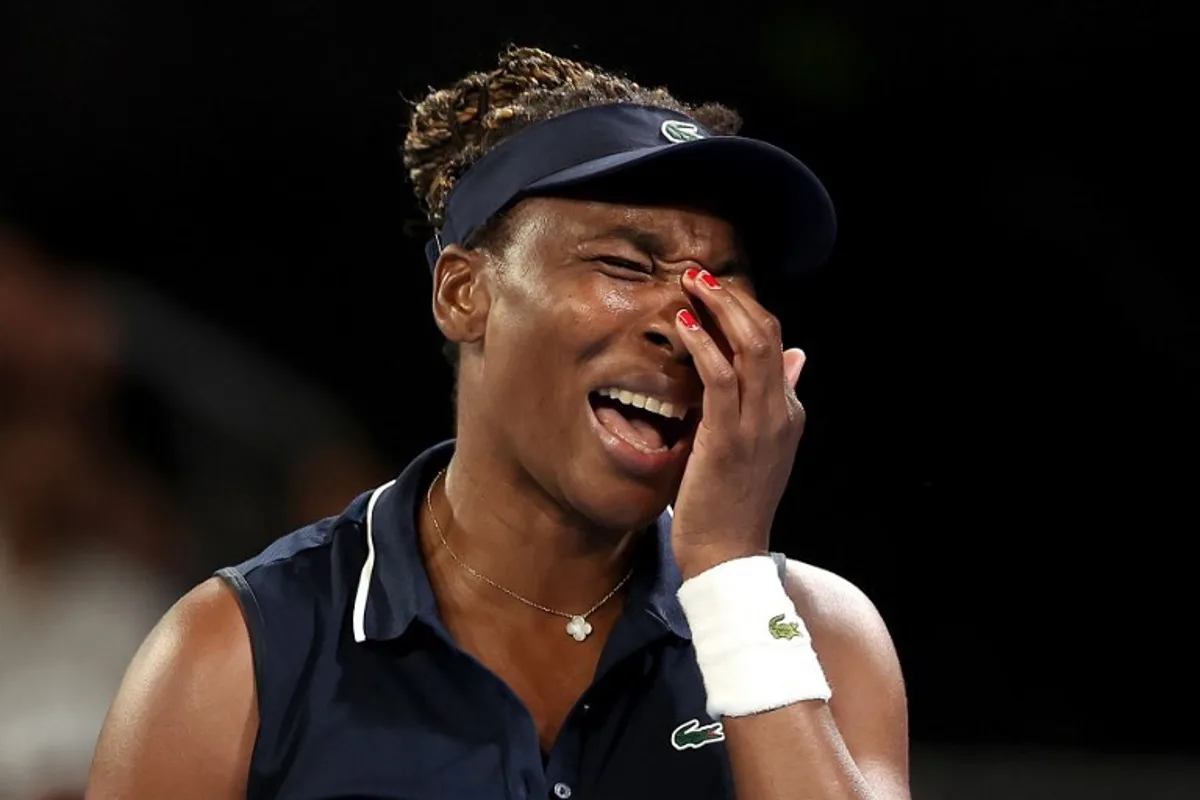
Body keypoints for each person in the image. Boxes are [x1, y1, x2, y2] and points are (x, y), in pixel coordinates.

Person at [87, 46, 910, 799]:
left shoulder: (815, 634)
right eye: (626, 265)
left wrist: (728, 577)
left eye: (718, 283)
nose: (680, 322)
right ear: (461, 294)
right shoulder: (238, 655)